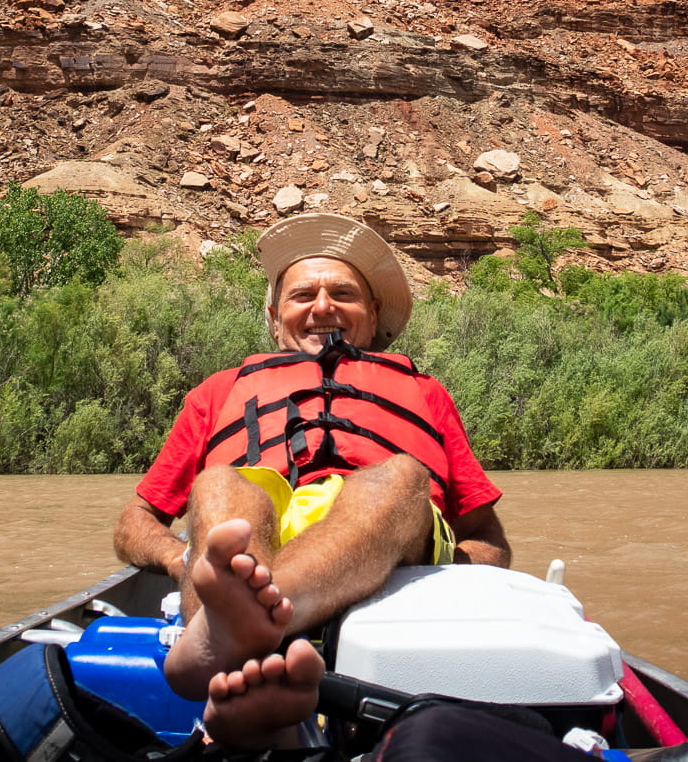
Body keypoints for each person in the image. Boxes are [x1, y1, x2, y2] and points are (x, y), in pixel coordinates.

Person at [112, 212, 510, 737]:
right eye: (303, 296)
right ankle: (256, 661)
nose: (323, 307)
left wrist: (441, 569)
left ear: (371, 314)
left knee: (401, 476)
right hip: (254, 541)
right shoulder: (216, 392)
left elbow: (490, 542)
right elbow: (133, 522)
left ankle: (231, 635)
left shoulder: (427, 393)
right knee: (219, 482)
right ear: (276, 318)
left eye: (342, 294)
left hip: (385, 534)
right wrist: (180, 558)